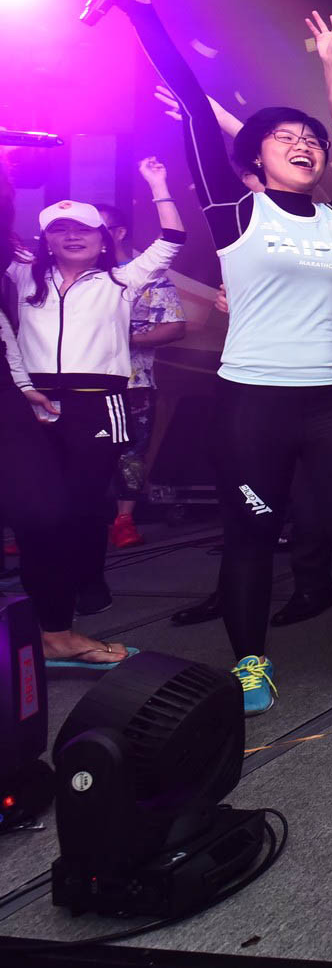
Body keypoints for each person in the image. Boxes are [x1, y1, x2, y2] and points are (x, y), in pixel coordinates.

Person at [116, 0, 332, 714]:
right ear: (255, 160)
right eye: (284, 137)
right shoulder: (234, 211)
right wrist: (142, 13)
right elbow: (195, 106)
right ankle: (249, 662)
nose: (303, 143)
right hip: (253, 400)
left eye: (311, 138)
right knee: (250, 531)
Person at [5, 160, 182, 667]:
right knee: (40, 515)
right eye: (59, 229)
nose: (72, 236)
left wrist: (157, 183)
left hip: (99, 405)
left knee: (81, 511)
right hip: (34, 404)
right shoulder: (22, 274)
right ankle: (47, 620)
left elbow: (173, 238)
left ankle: (77, 598)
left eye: (82, 228)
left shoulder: (121, 279)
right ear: (45, 240)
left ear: (103, 238)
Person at [94, 202, 187, 553]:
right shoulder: (73, 277)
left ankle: (124, 521)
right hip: (81, 385)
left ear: (118, 233)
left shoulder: (150, 277)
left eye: (99, 229)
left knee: (131, 454)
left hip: (134, 383)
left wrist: (123, 338)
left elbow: (175, 327)